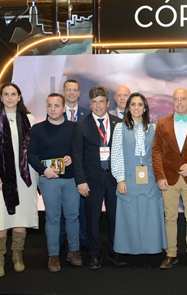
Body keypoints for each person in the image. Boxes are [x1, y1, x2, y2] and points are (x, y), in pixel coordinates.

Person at [72, 85, 126, 270]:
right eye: (94, 102)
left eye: (101, 101)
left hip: (114, 179)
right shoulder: (81, 125)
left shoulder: (119, 123)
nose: (97, 105)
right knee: (92, 219)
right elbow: (77, 156)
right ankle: (95, 255)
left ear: (108, 103)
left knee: (115, 218)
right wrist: (80, 181)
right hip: (91, 181)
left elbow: (123, 153)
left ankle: (114, 251)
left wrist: (123, 179)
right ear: (90, 104)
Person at [111, 92, 167, 269]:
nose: (136, 108)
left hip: (150, 181)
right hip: (128, 180)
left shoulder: (154, 128)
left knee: (149, 218)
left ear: (145, 108)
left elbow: (159, 156)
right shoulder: (120, 128)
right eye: (133, 104)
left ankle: (149, 255)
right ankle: (133, 254)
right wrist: (120, 179)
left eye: (140, 105)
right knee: (131, 217)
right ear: (128, 108)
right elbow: (117, 155)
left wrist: (161, 176)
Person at [27, 93, 82, 272]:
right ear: (46, 107)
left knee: (73, 216)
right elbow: (31, 155)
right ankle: (53, 255)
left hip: (71, 180)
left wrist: (71, 158)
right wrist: (44, 170)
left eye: (57, 106)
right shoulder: (37, 129)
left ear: (64, 108)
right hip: (49, 181)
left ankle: (73, 251)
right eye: (49, 105)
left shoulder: (74, 128)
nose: (53, 109)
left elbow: (80, 152)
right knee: (52, 218)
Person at [152, 88, 187, 270]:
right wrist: (159, 176)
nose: (179, 102)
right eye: (176, 99)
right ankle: (171, 253)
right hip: (168, 178)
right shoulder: (162, 123)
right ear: (172, 102)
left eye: (183, 99)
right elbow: (156, 151)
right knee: (170, 218)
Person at [0, 82, 38, 278]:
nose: (10, 97)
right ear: (1, 97)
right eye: (6, 94)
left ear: (19, 97)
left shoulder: (29, 119)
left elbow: (36, 149)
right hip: (0, 178)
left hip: (24, 176)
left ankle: (17, 256)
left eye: (14, 94)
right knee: (0, 218)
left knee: (21, 216)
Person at [60, 79, 90, 252]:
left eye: (75, 90)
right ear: (64, 92)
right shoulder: (55, 113)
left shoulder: (88, 114)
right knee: (63, 207)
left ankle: (82, 240)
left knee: (82, 208)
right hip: (62, 170)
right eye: (68, 90)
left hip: (82, 170)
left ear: (79, 93)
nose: (71, 93)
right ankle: (63, 240)